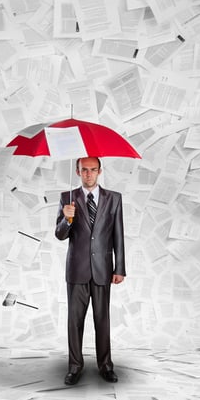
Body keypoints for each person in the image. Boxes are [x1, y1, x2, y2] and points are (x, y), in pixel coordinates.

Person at [55, 156, 125, 385]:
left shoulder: (114, 199)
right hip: (76, 269)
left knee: (102, 320)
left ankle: (106, 366)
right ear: (77, 171)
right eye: (84, 170)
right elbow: (60, 235)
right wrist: (67, 219)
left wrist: (120, 268)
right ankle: (75, 367)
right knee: (74, 322)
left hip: (103, 269)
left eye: (93, 170)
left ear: (100, 171)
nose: (88, 174)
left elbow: (118, 234)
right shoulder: (67, 198)